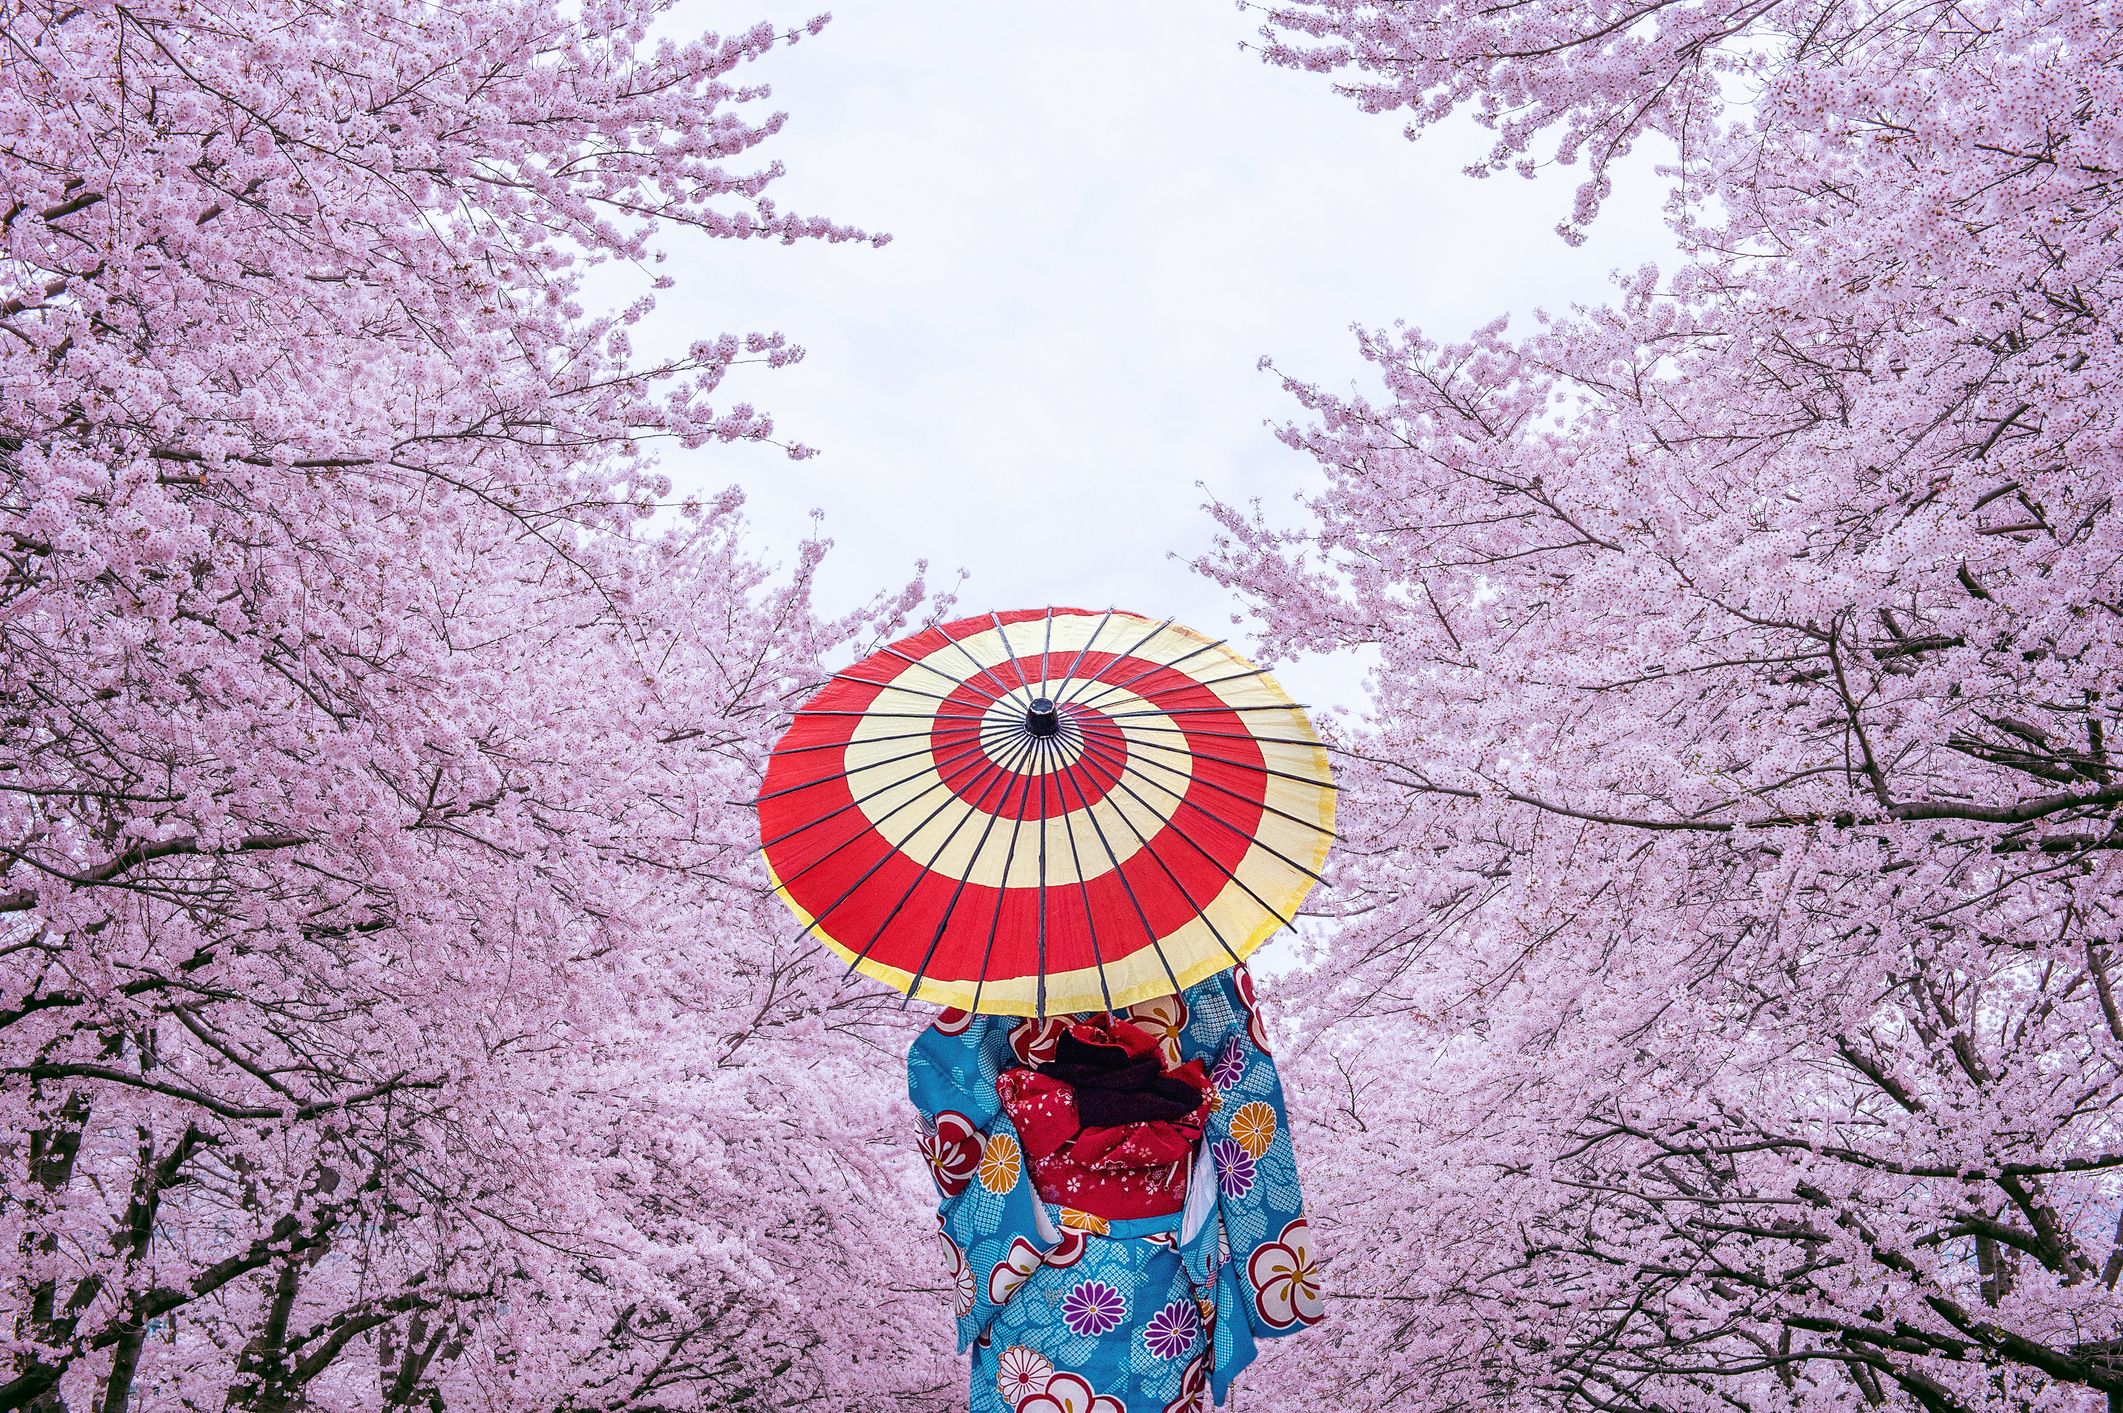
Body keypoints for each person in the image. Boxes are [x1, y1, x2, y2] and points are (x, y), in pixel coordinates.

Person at [907, 963, 1321, 1413]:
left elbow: (943, 1102)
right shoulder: (1198, 959)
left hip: (1038, 1248)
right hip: (1167, 1257)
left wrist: (1044, 1121)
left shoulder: (1007, 970)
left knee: (1035, 1389)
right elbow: (1247, 1107)